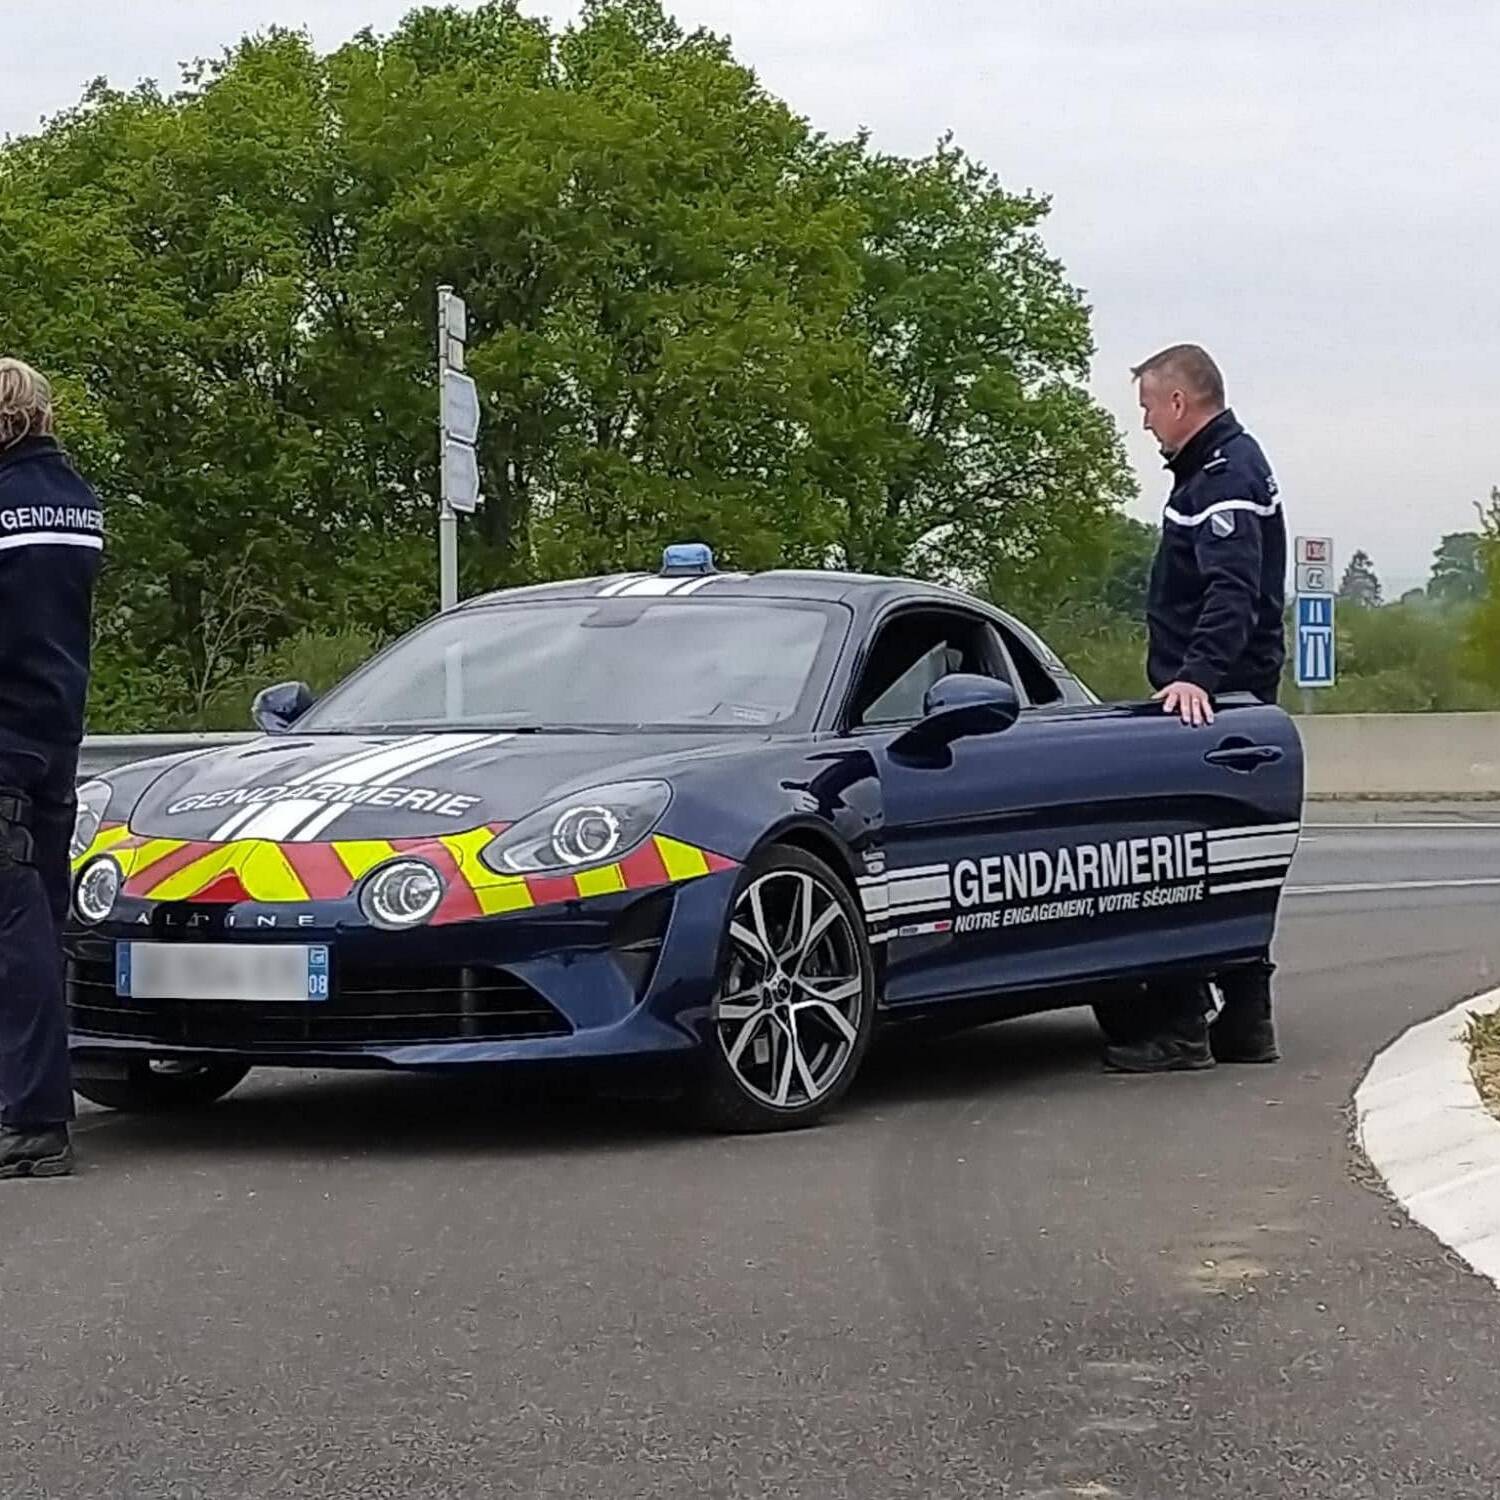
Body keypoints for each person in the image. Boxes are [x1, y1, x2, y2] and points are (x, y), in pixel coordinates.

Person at [1104, 343, 1286, 1073]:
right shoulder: (1224, 467)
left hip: (1211, 705)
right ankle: (1245, 1022)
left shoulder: (1223, 476)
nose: (1146, 423)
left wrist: (1197, 679)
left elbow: (1232, 591)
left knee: (1180, 857)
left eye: (1149, 406)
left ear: (1179, 403)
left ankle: (1181, 1024)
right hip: (1234, 701)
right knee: (1234, 859)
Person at [0, 358, 104, 1179]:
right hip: (54, 727)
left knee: (15, 924)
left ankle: (32, 1117)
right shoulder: (74, 500)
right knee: (40, 910)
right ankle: (36, 1104)